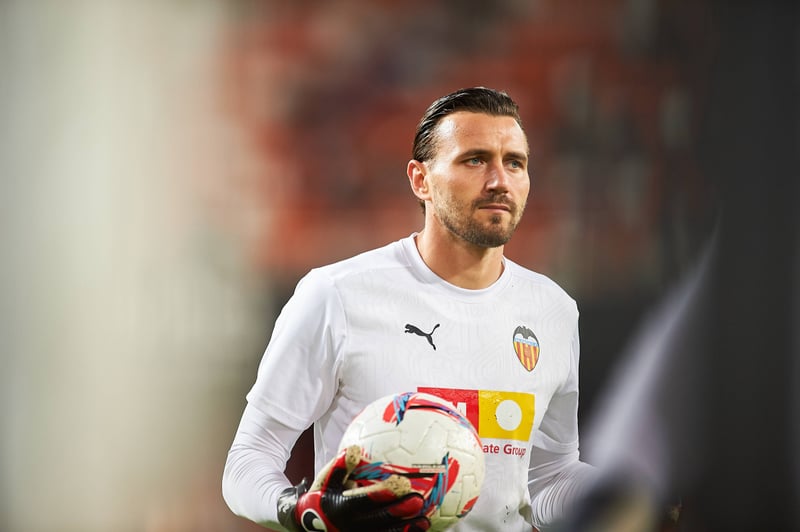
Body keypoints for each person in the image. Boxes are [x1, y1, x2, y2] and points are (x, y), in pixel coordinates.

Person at [222, 87, 596, 531]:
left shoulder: (553, 311)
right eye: (475, 160)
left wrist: (632, 493)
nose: (500, 180)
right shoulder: (336, 296)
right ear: (421, 180)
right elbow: (249, 459)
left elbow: (548, 478)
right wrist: (298, 508)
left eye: (514, 162)